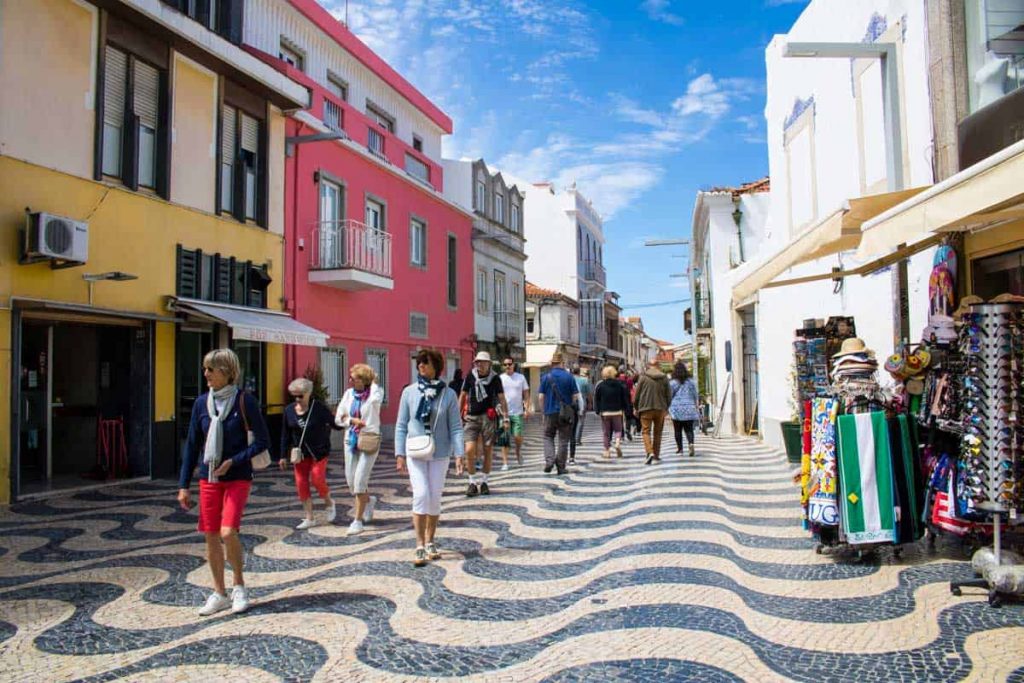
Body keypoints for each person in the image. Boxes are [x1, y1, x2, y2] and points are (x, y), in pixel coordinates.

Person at [177, 348, 267, 616]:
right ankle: (219, 592)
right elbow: (192, 445)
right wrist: (184, 485)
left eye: (211, 369)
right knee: (211, 535)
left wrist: (235, 460)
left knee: (228, 532)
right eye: (205, 368)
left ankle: (239, 586)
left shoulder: (244, 401)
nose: (205, 374)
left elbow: (263, 441)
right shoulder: (201, 403)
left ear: (227, 372)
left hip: (237, 477)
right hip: (209, 477)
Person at [395, 348, 465, 567]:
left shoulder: (448, 394)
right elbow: (401, 424)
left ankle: (431, 541)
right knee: (421, 494)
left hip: (440, 452)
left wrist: (459, 453)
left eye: (425, 363)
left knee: (434, 497)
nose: (420, 366)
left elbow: (455, 426)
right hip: (415, 450)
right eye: (419, 363)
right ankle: (418, 544)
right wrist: (399, 453)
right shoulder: (410, 392)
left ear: (436, 367)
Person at [280, 377, 340, 529]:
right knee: (301, 483)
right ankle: (309, 517)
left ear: (308, 393)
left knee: (317, 478)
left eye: (301, 395)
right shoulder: (289, 411)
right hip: (300, 453)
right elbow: (285, 434)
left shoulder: (318, 408)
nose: (298, 399)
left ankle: (329, 502)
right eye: (295, 396)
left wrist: (347, 420)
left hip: (319, 451)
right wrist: (282, 456)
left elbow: (334, 424)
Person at [335, 364, 384, 535]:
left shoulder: (374, 395)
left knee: (359, 481)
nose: (350, 380)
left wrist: (374, 382)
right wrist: (352, 421)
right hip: (351, 441)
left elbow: (376, 397)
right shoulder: (348, 394)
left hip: (369, 440)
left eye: (354, 377)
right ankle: (369, 501)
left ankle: (357, 521)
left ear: (363, 380)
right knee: (351, 482)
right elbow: (338, 418)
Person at [459, 351, 509, 496]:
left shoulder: (495, 378)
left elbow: (502, 398)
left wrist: (505, 417)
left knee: (488, 450)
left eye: (482, 361)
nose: (479, 364)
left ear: (489, 364)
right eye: (477, 362)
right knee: (469, 450)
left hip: (489, 418)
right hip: (472, 418)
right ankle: (472, 482)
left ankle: (485, 482)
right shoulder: (470, 376)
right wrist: (458, 414)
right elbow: (463, 395)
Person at [538, 352, 580, 474]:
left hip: (550, 412)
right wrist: (569, 406)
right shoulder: (569, 377)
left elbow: (541, 397)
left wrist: (543, 412)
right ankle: (561, 467)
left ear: (552, 364)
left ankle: (550, 461)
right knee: (563, 440)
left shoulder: (546, 377)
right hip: (565, 414)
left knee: (548, 436)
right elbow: (575, 396)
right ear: (562, 363)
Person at [634, 359, 671, 465]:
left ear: (649, 366)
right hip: (660, 409)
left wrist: (636, 407)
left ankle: (649, 452)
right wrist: (667, 407)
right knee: (658, 432)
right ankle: (656, 455)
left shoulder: (643, 377)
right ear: (658, 365)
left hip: (645, 408)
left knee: (646, 431)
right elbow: (668, 394)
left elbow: (637, 394)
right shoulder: (664, 378)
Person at [499, 358, 530, 469]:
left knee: (517, 436)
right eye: (505, 364)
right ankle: (505, 462)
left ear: (513, 365)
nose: (507, 366)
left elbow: (526, 393)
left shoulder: (520, 377)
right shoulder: (500, 378)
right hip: (504, 413)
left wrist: (526, 408)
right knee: (504, 438)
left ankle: (518, 451)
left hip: (518, 412)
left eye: (509, 364)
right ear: (503, 366)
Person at [594, 364, 630, 458]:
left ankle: (607, 451)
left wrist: (597, 410)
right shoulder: (619, 385)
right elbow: (624, 398)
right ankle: (617, 442)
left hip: (605, 412)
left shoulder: (600, 385)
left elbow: (597, 399)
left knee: (606, 432)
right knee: (618, 429)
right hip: (617, 412)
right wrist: (625, 408)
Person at [668, 362, 701, 457]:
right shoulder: (691, 382)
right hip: (689, 408)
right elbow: (695, 394)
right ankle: (691, 443)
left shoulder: (673, 383)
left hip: (676, 409)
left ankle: (680, 449)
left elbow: (670, 396)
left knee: (677, 430)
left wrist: (667, 407)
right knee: (689, 429)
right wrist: (696, 404)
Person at [573, 365, 592, 447]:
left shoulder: (569, 380)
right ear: (579, 372)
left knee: (573, 421)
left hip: (572, 402)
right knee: (580, 421)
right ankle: (577, 440)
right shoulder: (584, 381)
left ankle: (572, 438)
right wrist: (590, 403)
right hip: (582, 403)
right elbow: (589, 394)